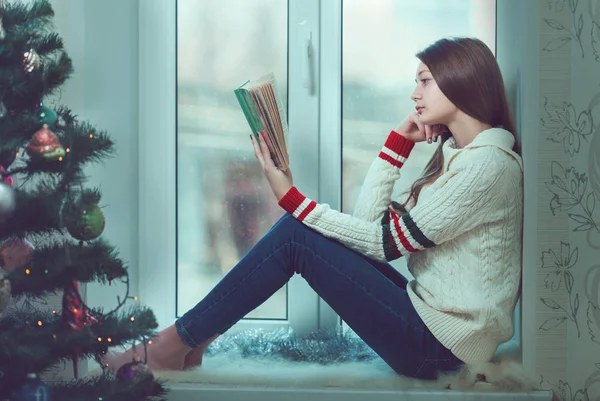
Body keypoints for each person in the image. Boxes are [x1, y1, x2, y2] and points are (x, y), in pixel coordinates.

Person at [104, 37, 523, 380]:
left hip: (443, 352)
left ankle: (169, 347)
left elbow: (383, 242)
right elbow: (366, 227)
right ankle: (187, 343)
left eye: (425, 80)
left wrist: (291, 198)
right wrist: (396, 146)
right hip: (433, 326)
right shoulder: (464, 157)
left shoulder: (488, 166)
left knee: (296, 235)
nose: (414, 94)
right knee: (301, 232)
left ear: (460, 80)